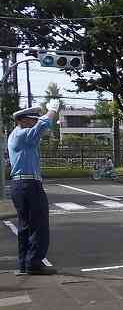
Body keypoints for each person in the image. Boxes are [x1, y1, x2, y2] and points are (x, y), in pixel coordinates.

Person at [8, 105, 61, 275]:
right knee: (39, 225)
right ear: (22, 120)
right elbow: (43, 125)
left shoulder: (17, 136)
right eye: (32, 120)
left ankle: (25, 264)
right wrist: (52, 109)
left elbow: (41, 128)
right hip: (29, 185)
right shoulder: (22, 134)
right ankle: (34, 264)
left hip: (20, 185)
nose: (34, 123)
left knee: (25, 226)